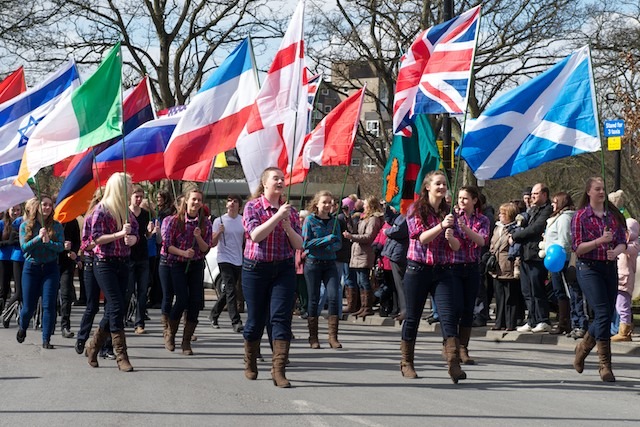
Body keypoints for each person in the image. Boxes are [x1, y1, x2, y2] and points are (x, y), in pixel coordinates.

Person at [399, 170, 464, 383]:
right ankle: (407, 362)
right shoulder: (415, 209)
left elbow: (456, 246)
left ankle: (453, 363)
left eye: (444, 184)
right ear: (427, 187)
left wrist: (451, 236)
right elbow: (422, 238)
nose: (442, 187)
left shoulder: (449, 212)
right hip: (417, 270)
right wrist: (441, 226)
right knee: (413, 317)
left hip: (443, 271)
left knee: (448, 316)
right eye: (438, 184)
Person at [241, 167, 303, 388]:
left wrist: (287, 226)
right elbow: (255, 236)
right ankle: (250, 360)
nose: (280, 181)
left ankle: (279, 370)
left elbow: (299, 244)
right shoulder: (252, 207)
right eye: (275, 178)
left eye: (282, 179)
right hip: (256, 269)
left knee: (281, 318)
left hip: (283, 269)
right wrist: (277, 216)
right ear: (265, 183)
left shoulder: (291, 212)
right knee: (255, 320)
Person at [571, 177, 626, 382]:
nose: (601, 192)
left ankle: (583, 347)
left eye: (603, 188)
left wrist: (616, 251)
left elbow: (622, 241)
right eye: (597, 189)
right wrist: (599, 241)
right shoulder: (580, 217)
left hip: (608, 267)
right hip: (588, 268)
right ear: (589, 192)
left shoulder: (612, 216)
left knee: (607, 313)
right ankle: (605, 365)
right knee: (602, 311)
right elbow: (578, 247)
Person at [85, 173, 138, 372]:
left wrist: (132, 239)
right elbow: (96, 238)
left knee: (117, 307)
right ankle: (121, 355)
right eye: (130, 185)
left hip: (123, 262)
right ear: (120, 187)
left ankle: (94, 346)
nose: (132, 189)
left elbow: (136, 234)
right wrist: (120, 234)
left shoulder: (127, 212)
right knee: (115, 304)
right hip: (104, 263)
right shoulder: (102, 210)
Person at [161, 189, 212, 355]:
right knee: (181, 299)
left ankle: (186, 341)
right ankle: (171, 332)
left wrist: (198, 237)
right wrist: (183, 253)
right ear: (186, 201)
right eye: (193, 200)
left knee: (195, 302)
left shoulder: (205, 224)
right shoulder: (173, 221)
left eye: (199, 200)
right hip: (177, 264)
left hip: (196, 265)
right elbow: (167, 246)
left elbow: (206, 248)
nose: (196, 203)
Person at [16, 195, 64, 349]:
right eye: (44, 204)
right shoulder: (25, 226)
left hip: (50, 269)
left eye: (50, 205)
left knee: (49, 305)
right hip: (32, 268)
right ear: (38, 207)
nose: (47, 208)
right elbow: (25, 248)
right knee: (28, 307)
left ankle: (46, 339)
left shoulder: (57, 226)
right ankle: (23, 327)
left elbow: (61, 247)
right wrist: (38, 238)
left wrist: (48, 242)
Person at [452, 186, 490, 365]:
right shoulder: (452, 217)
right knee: (455, 306)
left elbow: (481, 240)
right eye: (460, 198)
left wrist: (465, 228)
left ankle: (463, 348)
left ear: (474, 200)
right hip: (453, 267)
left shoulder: (482, 219)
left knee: (468, 308)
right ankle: (451, 345)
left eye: (465, 198)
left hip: (472, 266)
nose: (461, 201)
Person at [302, 190, 342, 349]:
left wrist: (332, 245)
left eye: (330, 203)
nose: (327, 206)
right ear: (317, 204)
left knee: (334, 296)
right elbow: (306, 243)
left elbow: (338, 243)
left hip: (330, 263)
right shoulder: (309, 221)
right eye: (324, 202)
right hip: (313, 264)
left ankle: (333, 337)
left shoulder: (335, 221)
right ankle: (313, 337)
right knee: (313, 298)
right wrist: (325, 240)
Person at [512, 183, 553, 333]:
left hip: (537, 255)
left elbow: (536, 228)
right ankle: (532, 319)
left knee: (537, 288)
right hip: (526, 254)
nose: (532, 197)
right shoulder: (533, 210)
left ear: (544, 195)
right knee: (526, 290)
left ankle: (543, 319)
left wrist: (516, 236)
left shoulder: (547, 210)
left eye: (536, 194)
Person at [539, 192, 576, 335]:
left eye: (555, 201)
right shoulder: (558, 217)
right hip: (555, 259)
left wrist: (556, 251)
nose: (552, 204)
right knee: (559, 291)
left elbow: (565, 239)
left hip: (562, 259)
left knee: (563, 291)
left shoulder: (564, 218)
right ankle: (564, 321)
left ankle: (565, 322)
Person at [343, 196, 383, 318]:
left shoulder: (373, 219)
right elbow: (357, 231)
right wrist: (348, 219)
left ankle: (367, 307)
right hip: (359, 252)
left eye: (365, 204)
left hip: (365, 253)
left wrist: (352, 237)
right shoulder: (364, 218)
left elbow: (368, 236)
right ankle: (362, 306)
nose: (364, 206)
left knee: (364, 281)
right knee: (360, 281)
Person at [209, 195, 245, 333]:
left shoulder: (243, 221)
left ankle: (214, 313)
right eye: (229, 201)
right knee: (231, 289)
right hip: (224, 258)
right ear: (226, 205)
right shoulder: (219, 221)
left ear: (239, 206)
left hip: (238, 259)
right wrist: (219, 232)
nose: (232, 204)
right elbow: (212, 243)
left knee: (229, 291)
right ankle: (236, 321)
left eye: (235, 201)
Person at [74, 190, 102, 355]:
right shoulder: (90, 217)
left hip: (111, 264)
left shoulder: (118, 215)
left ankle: (105, 345)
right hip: (92, 263)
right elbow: (84, 245)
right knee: (92, 306)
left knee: (112, 307)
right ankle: (82, 338)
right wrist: (98, 242)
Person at [489, 203, 520, 331]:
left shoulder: (515, 230)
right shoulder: (497, 228)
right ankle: (499, 322)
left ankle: (510, 323)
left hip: (508, 266)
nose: (500, 215)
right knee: (499, 296)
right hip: (497, 266)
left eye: (503, 213)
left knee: (510, 297)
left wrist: (516, 268)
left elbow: (517, 251)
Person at [127, 185, 153, 334]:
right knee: (128, 289)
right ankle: (123, 318)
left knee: (142, 291)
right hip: (129, 256)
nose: (138, 199)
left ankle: (140, 323)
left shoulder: (145, 214)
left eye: (141, 196)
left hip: (143, 255)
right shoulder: (125, 213)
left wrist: (150, 232)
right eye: (136, 196)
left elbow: (147, 236)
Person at [611, 218, 639, 342]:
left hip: (625, 279)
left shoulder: (634, 244)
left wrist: (621, 242)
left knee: (623, 305)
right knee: (618, 305)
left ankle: (625, 331)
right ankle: (621, 329)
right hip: (618, 278)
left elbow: (626, 249)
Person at [382, 205, 409, 321]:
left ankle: (405, 310)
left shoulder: (408, 214)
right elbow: (390, 219)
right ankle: (403, 309)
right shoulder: (401, 214)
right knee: (398, 285)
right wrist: (387, 206)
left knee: (402, 284)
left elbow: (401, 230)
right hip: (395, 252)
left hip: (400, 253)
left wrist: (387, 231)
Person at [2, 205, 25, 328]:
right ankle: (5, 314)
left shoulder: (32, 222)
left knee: (22, 291)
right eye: (13, 210)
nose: (16, 212)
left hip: (27, 259)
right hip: (12, 259)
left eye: (18, 210)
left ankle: (21, 316)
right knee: (11, 291)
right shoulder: (15, 223)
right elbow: (8, 242)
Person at [58, 218, 81, 338]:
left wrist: (74, 252)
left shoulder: (72, 221)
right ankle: (48, 323)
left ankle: (65, 325)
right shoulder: (52, 221)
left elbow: (77, 241)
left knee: (66, 294)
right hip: (51, 262)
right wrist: (62, 246)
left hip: (67, 263)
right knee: (50, 295)